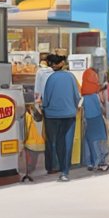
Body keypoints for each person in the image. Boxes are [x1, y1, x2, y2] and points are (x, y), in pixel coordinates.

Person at [41, 53, 81, 181]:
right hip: (69, 114)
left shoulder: (50, 78)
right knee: (67, 142)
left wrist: (44, 107)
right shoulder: (70, 77)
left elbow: (45, 98)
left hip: (52, 115)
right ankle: (65, 171)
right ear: (62, 64)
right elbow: (76, 96)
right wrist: (74, 106)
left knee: (55, 141)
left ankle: (53, 166)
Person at [35, 54, 61, 174]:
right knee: (60, 137)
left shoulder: (41, 73)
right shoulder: (61, 74)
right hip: (61, 109)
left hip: (48, 108)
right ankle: (60, 164)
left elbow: (37, 92)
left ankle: (51, 166)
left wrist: (37, 107)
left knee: (51, 139)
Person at [80, 67, 109, 172]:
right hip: (96, 118)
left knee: (89, 140)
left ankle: (90, 163)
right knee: (99, 140)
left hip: (87, 119)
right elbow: (102, 108)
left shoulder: (83, 95)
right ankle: (100, 162)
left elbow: (80, 107)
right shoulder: (96, 95)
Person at [21, 102, 45, 182]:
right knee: (34, 160)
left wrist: (22, 141)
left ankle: (28, 173)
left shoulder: (27, 115)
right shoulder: (36, 113)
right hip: (39, 142)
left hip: (30, 142)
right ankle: (31, 172)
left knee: (30, 160)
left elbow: (26, 130)